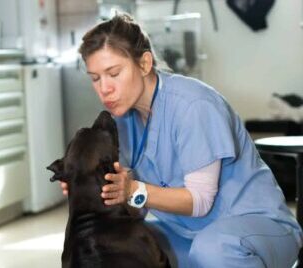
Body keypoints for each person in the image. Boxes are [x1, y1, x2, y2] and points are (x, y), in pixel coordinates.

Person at [58, 13, 302, 268]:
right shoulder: (121, 121)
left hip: (256, 229)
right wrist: (95, 188)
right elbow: (137, 206)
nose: (104, 88)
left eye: (114, 73)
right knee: (113, 245)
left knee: (213, 250)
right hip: (187, 235)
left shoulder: (194, 105)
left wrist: (132, 190)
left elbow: (200, 201)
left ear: (144, 64)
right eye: (95, 78)